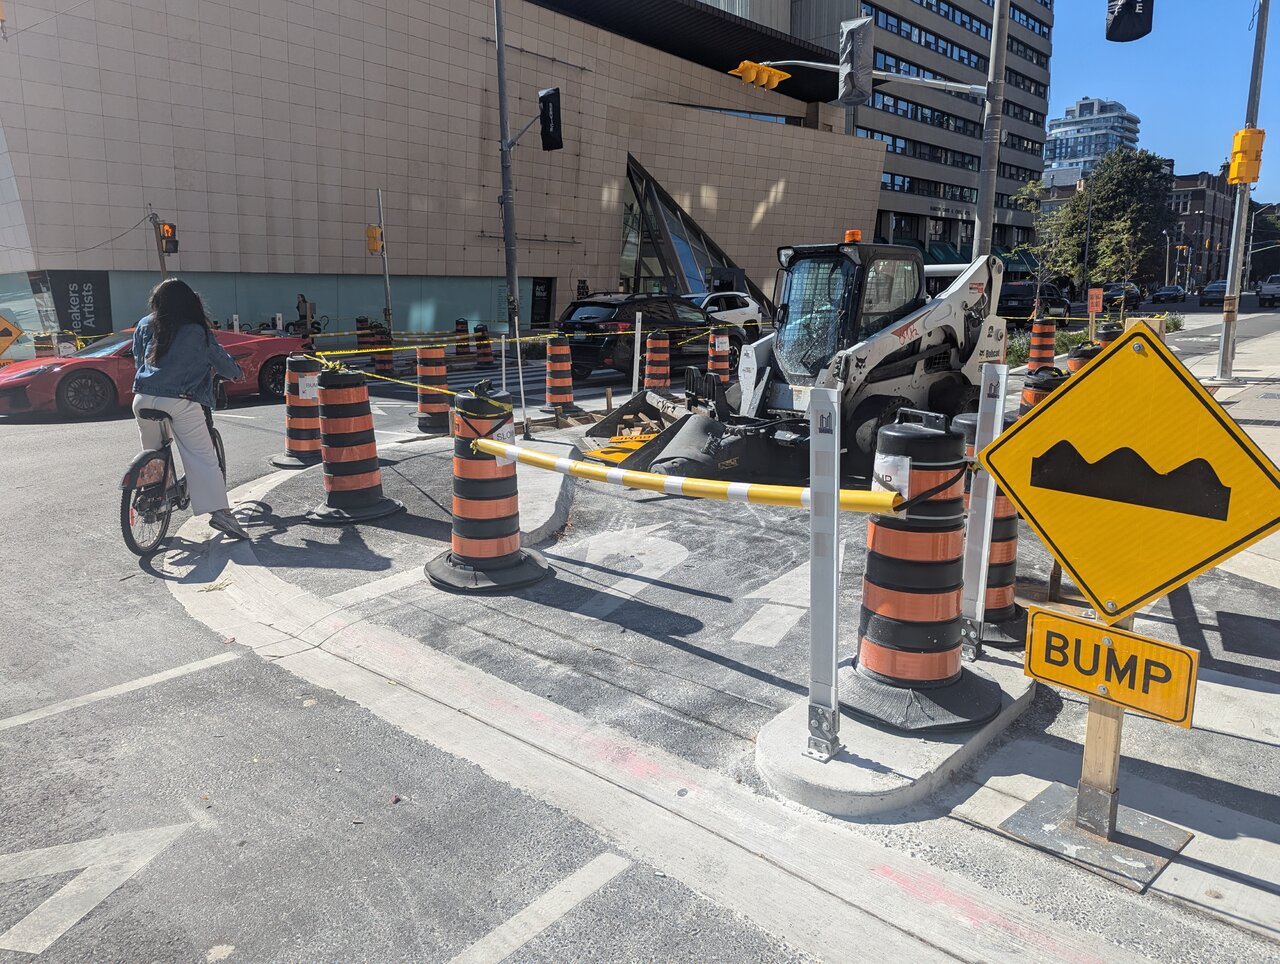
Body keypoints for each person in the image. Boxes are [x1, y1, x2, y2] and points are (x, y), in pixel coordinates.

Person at [131, 279, 250, 540]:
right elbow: (220, 360)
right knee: (202, 457)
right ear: (190, 302)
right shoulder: (196, 329)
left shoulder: (145, 324)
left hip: (142, 398)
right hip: (180, 399)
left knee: (153, 452)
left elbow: (139, 359)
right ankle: (220, 513)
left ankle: (155, 498)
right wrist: (237, 374)